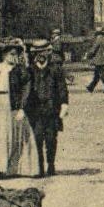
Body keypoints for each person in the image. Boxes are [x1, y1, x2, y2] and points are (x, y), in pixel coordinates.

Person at [0, 39, 38, 178]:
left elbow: (26, 89)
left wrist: (22, 108)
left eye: (15, 54)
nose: (13, 57)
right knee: (0, 137)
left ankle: (16, 168)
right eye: (10, 54)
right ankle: (0, 168)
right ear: (4, 55)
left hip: (13, 104)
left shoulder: (20, 71)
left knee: (16, 136)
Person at [27, 39, 69, 177]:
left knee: (51, 139)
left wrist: (64, 104)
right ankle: (39, 166)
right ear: (34, 54)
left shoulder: (55, 69)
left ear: (48, 52)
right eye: (37, 53)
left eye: (43, 52)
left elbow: (62, 88)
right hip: (36, 110)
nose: (41, 55)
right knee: (37, 138)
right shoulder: (30, 70)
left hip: (52, 109)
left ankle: (51, 164)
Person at [86, 28, 104, 92]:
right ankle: (90, 87)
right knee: (97, 75)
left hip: (99, 61)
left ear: (98, 34)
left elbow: (93, 50)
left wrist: (88, 56)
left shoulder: (98, 41)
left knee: (103, 75)